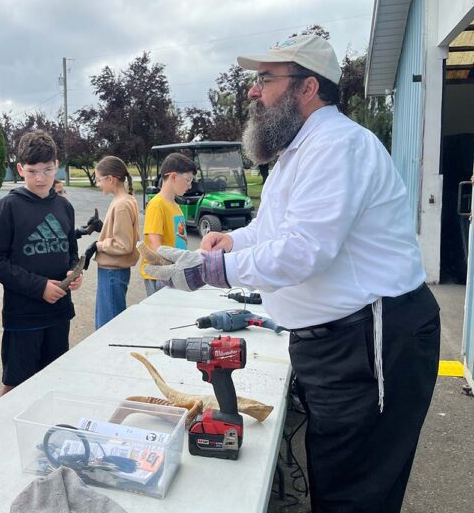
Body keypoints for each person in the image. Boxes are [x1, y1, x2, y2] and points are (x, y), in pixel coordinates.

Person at [143, 35, 440, 513]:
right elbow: (274, 228)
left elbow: (305, 251)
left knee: (355, 489)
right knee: (333, 472)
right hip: (337, 343)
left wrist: (214, 271)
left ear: (307, 87)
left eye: (265, 79)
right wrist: (233, 242)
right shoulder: (298, 152)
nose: (253, 92)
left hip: (370, 342)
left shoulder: (337, 146)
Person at [0, 130, 83, 395]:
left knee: (54, 382)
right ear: (19, 169)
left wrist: (75, 272)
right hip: (23, 316)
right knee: (17, 386)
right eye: (32, 171)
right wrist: (39, 287)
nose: (40, 178)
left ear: (57, 166)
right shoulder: (7, 207)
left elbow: (71, 252)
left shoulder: (64, 207)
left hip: (59, 314)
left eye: (47, 170)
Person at [82, 156, 140, 329]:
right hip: (113, 272)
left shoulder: (121, 205)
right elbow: (122, 232)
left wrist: (98, 245)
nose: (98, 184)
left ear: (111, 179)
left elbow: (124, 244)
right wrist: (102, 227)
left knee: (108, 326)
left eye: (99, 180)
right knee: (108, 321)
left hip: (113, 273)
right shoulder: (127, 199)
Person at [139, 152, 196, 296]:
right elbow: (155, 246)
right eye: (188, 180)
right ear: (173, 176)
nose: (190, 186)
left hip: (175, 273)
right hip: (160, 276)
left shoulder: (175, 205)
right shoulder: (156, 205)